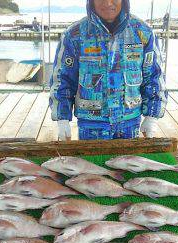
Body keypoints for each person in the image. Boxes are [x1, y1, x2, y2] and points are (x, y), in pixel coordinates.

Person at [49, 0, 168, 141]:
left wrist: (151, 116)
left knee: (128, 163)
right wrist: (62, 118)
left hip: (130, 123)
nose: (108, 2)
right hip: (91, 125)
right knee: (91, 163)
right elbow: (63, 80)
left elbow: (154, 77)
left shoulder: (143, 32)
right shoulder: (74, 35)